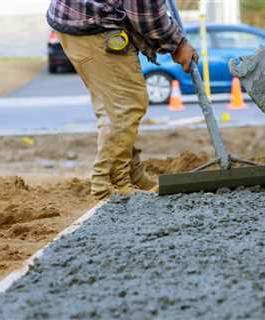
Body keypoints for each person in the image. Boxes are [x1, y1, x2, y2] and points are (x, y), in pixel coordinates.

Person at [47, 0, 199, 200]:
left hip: (81, 18)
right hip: (93, 26)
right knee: (124, 106)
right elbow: (145, 14)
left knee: (116, 105)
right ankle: (109, 186)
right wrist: (177, 43)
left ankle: (130, 174)